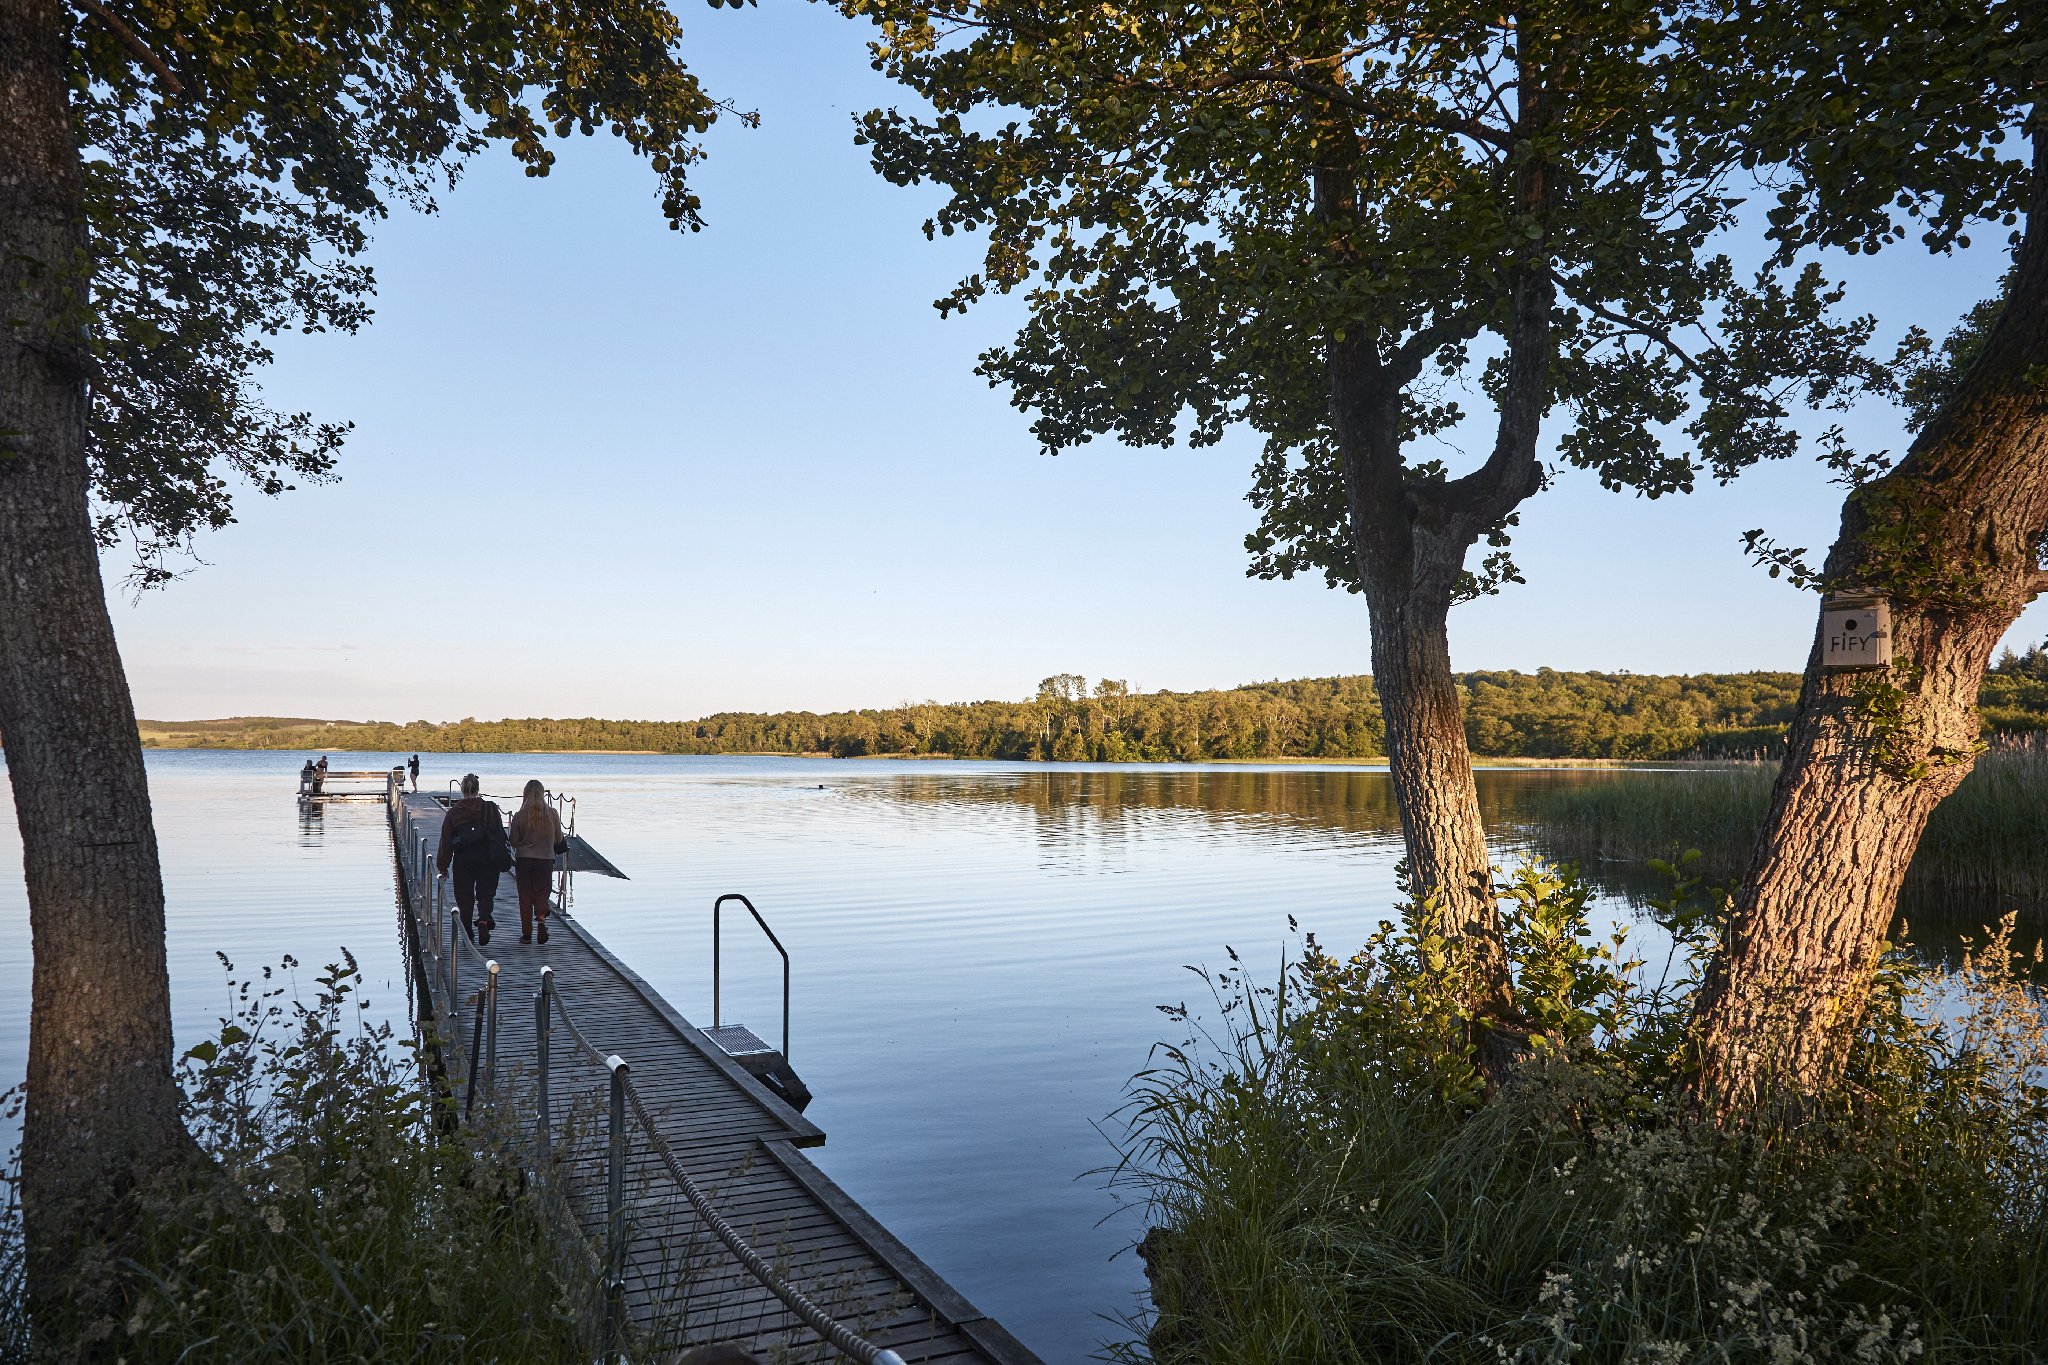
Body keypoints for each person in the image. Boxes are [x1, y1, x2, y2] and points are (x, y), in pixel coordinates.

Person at [435, 773, 506, 945]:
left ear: (462, 790)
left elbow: (446, 841)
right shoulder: (490, 808)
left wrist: (443, 866)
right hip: (487, 856)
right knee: (486, 893)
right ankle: (483, 920)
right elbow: (499, 833)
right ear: (477, 789)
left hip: (463, 858)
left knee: (464, 896)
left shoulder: (454, 812)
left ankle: (468, 932)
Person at [508, 779, 562, 945]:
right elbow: (558, 839)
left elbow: (513, 841)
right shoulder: (552, 814)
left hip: (524, 860)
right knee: (542, 892)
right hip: (545, 860)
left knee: (525, 896)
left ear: (525, 794)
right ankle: (541, 920)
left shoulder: (519, 815)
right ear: (542, 793)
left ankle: (527, 935)